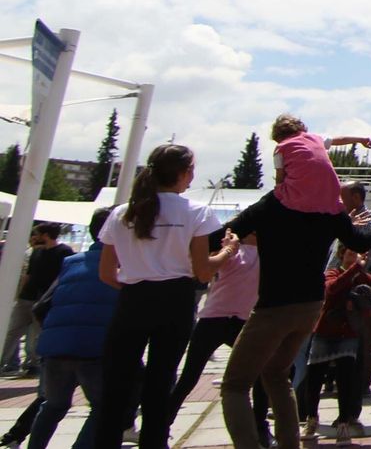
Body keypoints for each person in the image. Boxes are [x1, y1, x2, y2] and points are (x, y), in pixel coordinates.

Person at [216, 171, 371, 449]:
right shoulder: (328, 209)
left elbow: (227, 232)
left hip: (274, 306)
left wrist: (222, 249)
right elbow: (360, 241)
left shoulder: (274, 203)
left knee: (235, 384)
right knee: (277, 375)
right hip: (310, 307)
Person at [94, 144, 231, 449]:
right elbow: (202, 272)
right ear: (183, 173)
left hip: (133, 297)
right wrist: (227, 252)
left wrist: (136, 285)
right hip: (174, 298)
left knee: (116, 385)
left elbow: (106, 273)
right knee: (160, 382)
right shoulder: (196, 211)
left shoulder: (122, 212)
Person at [26, 208, 117, 449]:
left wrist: (55, 333)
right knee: (104, 407)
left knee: (53, 405)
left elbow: (40, 307)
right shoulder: (124, 265)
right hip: (95, 348)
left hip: (55, 347)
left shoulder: (71, 262)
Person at [168, 233, 270, 447]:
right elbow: (205, 270)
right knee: (189, 377)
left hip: (242, 321)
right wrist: (227, 249)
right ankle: (161, 427)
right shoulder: (233, 249)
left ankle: (261, 428)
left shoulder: (270, 253)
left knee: (263, 372)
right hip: (213, 319)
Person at [297, 245, 371, 442]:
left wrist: (357, 301)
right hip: (325, 331)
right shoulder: (332, 273)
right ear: (341, 255)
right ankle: (311, 419)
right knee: (315, 378)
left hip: (348, 333)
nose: (353, 257)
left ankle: (343, 423)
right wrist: (354, 269)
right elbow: (331, 289)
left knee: (345, 380)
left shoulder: (365, 278)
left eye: (356, 254)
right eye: (350, 254)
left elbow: (367, 303)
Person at [3, 223, 74, 376]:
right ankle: (5, 361)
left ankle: (33, 365)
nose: (34, 237)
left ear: (45, 235)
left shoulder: (64, 252)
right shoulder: (37, 252)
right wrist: (20, 294)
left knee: (35, 336)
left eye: (37, 234)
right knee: (12, 331)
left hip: (44, 300)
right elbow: (28, 275)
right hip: (26, 297)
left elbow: (63, 276)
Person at [268, 114, 371, 216]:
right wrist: (361, 139)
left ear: (278, 136)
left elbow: (279, 178)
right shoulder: (315, 138)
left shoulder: (280, 148)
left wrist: (279, 197)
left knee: (273, 197)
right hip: (330, 192)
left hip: (300, 195)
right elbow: (340, 140)